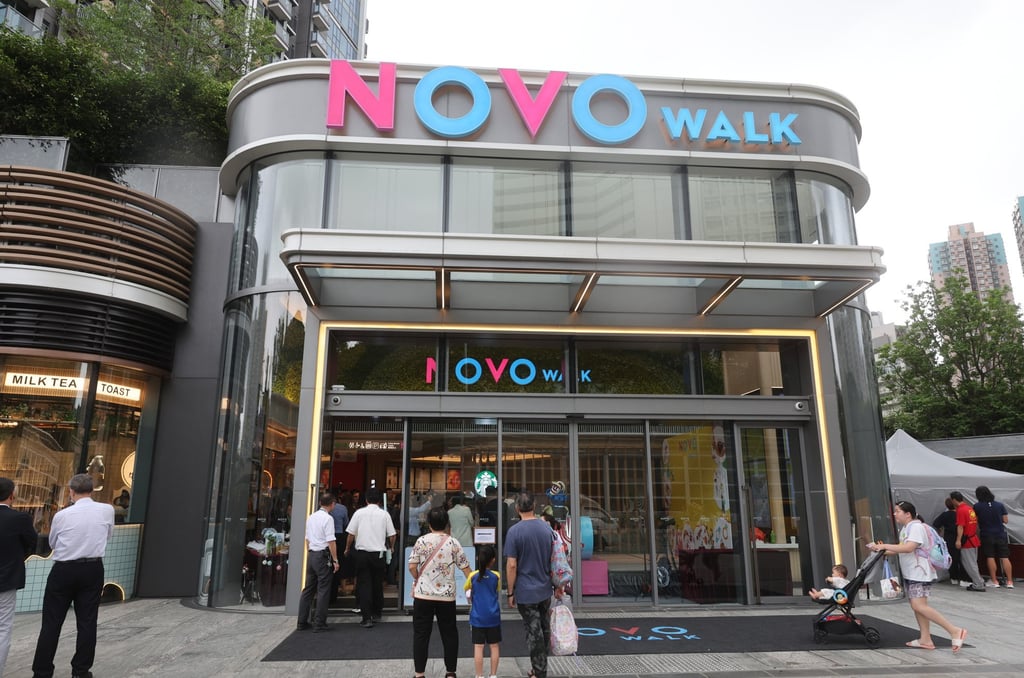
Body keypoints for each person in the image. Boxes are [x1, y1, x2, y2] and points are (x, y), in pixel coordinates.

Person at [31, 473, 115, 678]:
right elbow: (108, 535)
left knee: (51, 622)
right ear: (92, 490)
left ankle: (42, 672)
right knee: (87, 621)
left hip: (64, 569)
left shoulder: (62, 515)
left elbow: (52, 542)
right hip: (93, 568)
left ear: (71, 491)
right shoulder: (107, 510)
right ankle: (81, 670)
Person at [867, 501, 967, 652]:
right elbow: (902, 548)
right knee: (919, 607)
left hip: (919, 572)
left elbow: (909, 548)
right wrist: (880, 550)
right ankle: (925, 639)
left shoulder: (916, 527)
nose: (895, 514)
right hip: (913, 572)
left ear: (908, 514)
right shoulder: (907, 528)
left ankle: (954, 630)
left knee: (919, 606)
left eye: (898, 511)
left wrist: (884, 546)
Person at [505, 491, 565, 678]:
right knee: (544, 628)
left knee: (533, 632)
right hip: (545, 588)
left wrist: (510, 592)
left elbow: (512, 565)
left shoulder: (514, 532)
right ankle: (540, 667)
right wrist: (558, 585)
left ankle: (539, 671)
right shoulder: (546, 529)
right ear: (534, 506)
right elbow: (555, 560)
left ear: (517, 508)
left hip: (525, 591)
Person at [408, 507, 471, 678]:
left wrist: (418, 578)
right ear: (446, 524)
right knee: (449, 633)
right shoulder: (453, 542)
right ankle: (450, 672)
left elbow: (412, 566)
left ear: (429, 523)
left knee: (421, 634)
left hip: (423, 595)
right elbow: (466, 569)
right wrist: (473, 586)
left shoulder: (421, 541)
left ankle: (419, 673)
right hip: (446, 596)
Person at [1, 477, 38, 678]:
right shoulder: (20, 519)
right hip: (6, 579)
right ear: (11, 495)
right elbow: (32, 542)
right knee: (3, 627)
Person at [344, 487, 396, 628]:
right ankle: (377, 613)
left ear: (366, 500)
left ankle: (366, 618)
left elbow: (351, 534)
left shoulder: (359, 513)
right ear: (379, 501)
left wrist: (347, 548)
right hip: (378, 554)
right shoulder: (384, 514)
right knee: (377, 584)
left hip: (362, 554)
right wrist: (391, 547)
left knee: (364, 584)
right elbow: (392, 535)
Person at [297, 493, 340, 632]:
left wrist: (310, 552)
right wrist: (335, 560)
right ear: (332, 504)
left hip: (312, 554)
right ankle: (319, 623)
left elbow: (307, 538)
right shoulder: (328, 519)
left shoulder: (311, 517)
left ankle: (302, 621)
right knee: (323, 589)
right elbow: (331, 541)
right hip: (322, 555)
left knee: (308, 589)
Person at [464, 544, 501, 678]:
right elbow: (497, 589)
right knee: (494, 646)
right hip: (493, 616)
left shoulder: (472, 576)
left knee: (478, 647)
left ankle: (479, 675)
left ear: (478, 559)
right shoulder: (496, 576)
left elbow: (466, 589)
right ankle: (493, 675)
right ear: (493, 560)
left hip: (477, 617)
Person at [973, 485, 1014, 589]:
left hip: (986, 534)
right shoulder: (999, 505)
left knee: (990, 556)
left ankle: (994, 581)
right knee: (1004, 557)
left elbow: (975, 521)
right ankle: (1010, 581)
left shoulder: (977, 506)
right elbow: (1005, 520)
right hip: (1000, 534)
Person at [950, 491, 985, 592]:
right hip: (973, 538)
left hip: (967, 540)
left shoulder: (961, 510)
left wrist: (958, 540)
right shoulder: (969, 509)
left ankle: (978, 584)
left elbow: (960, 526)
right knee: (973, 563)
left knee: (969, 564)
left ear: (954, 500)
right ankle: (979, 581)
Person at [931, 498, 963, 584]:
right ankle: (963, 577)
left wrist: (939, 532)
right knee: (962, 559)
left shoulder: (945, 515)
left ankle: (954, 577)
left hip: (949, 538)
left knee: (952, 558)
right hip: (962, 538)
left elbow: (936, 524)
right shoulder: (960, 514)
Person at [327, 495, 349, 605]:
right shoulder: (343, 508)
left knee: (327, 566)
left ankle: (326, 595)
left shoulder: (321, 512)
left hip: (327, 538)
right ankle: (335, 594)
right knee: (338, 564)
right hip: (339, 537)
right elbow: (346, 524)